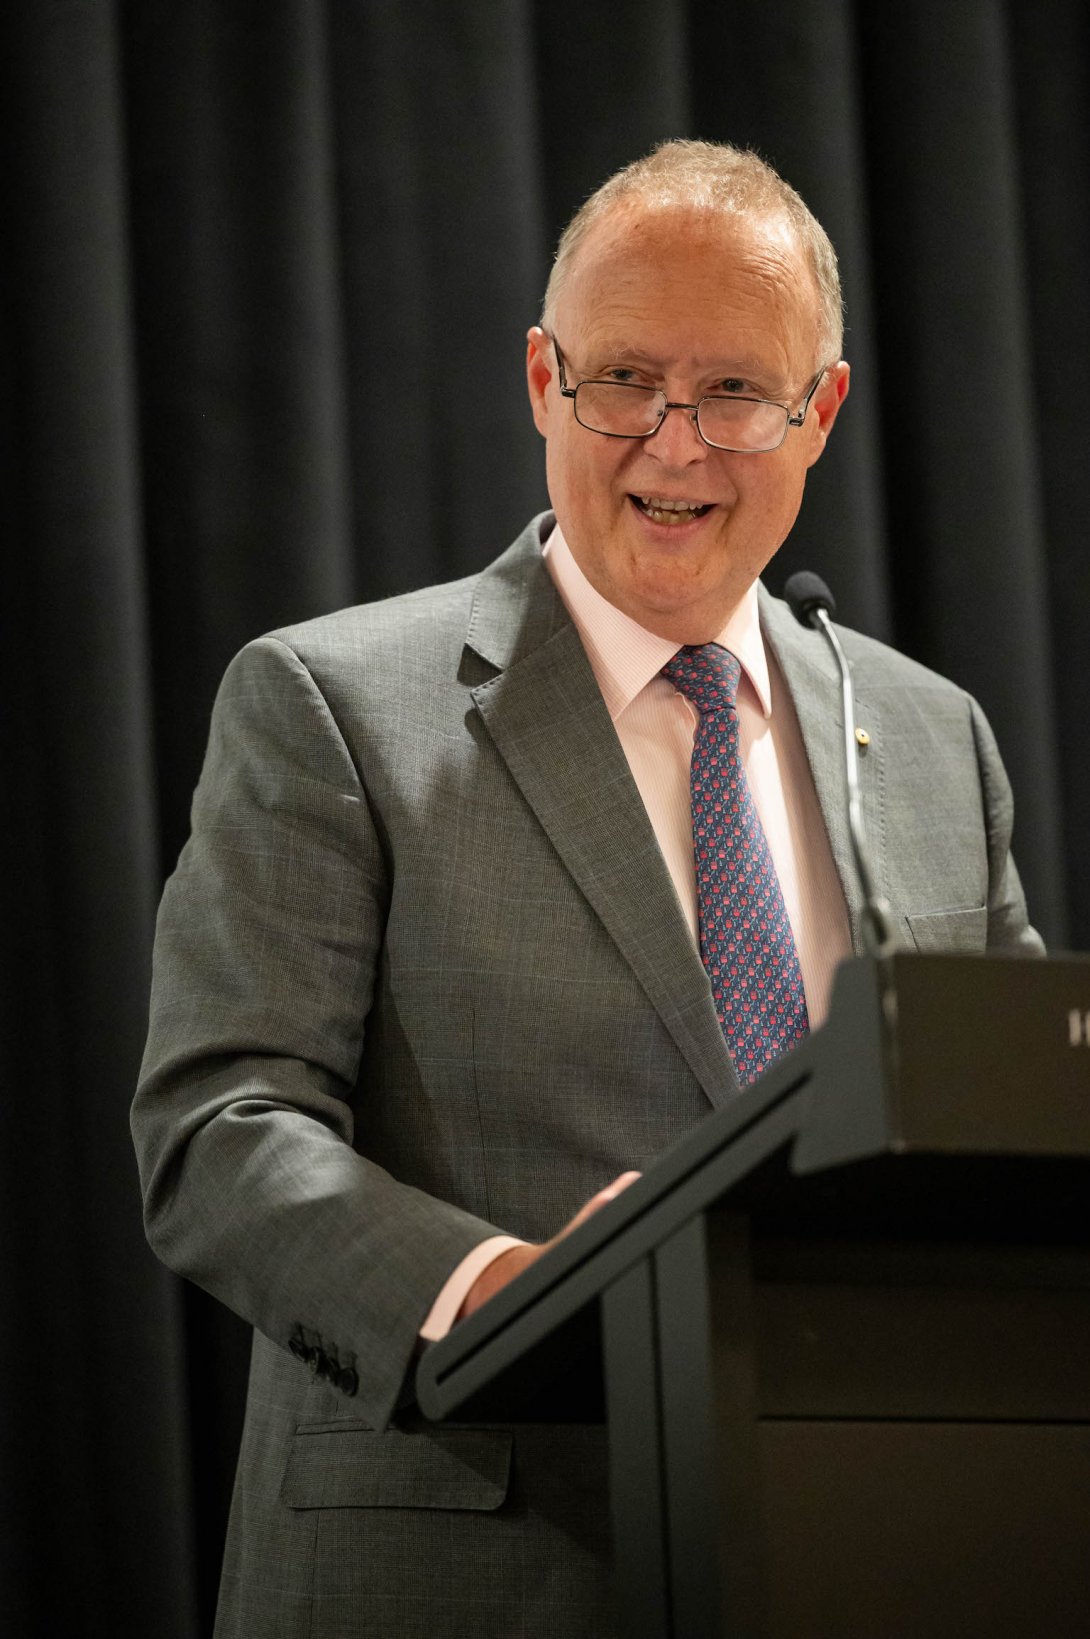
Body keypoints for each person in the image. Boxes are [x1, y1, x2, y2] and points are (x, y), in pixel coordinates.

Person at [133, 139, 1042, 1639]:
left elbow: (1003, 1138)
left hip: (882, 1548)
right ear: (542, 377)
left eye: (734, 394)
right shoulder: (333, 706)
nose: (671, 447)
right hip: (481, 1568)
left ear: (819, 411)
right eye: (622, 380)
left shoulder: (931, 735)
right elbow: (217, 1130)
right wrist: (494, 1291)